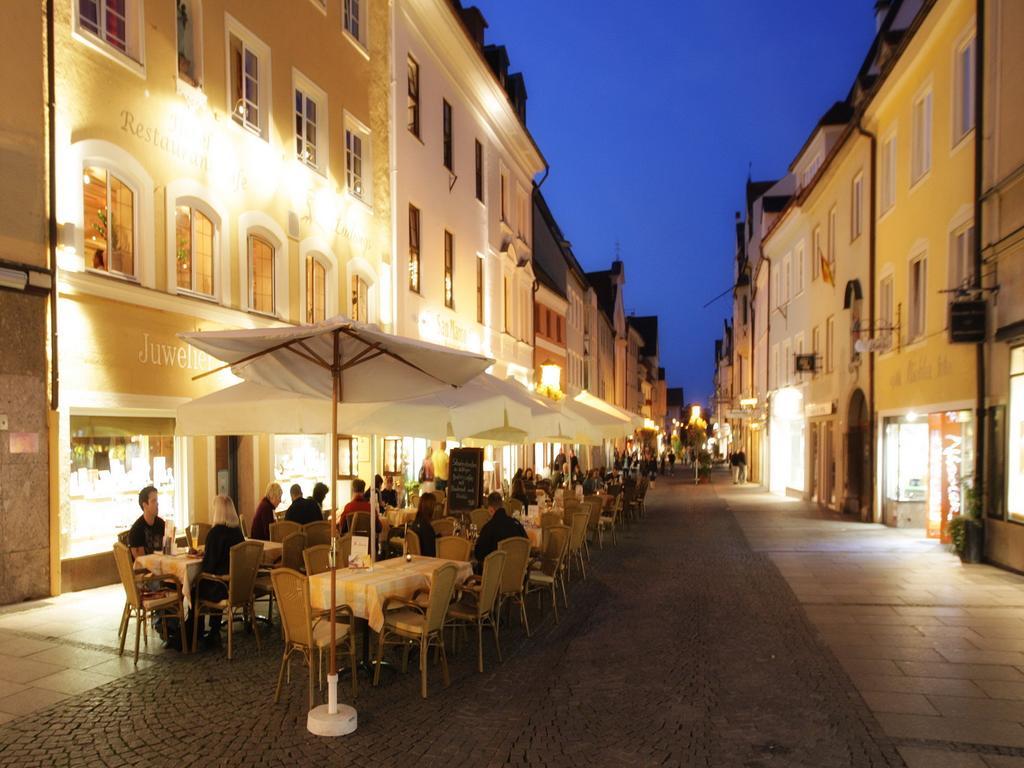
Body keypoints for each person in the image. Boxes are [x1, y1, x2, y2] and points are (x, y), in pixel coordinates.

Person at [192, 495, 246, 648]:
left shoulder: (215, 533)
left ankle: (197, 632)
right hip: (237, 585)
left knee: (195, 586)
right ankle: (213, 630)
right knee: (208, 582)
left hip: (221, 587)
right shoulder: (238, 532)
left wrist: (206, 554)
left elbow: (208, 566)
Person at [473, 491, 526, 567]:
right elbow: (526, 545)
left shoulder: (489, 527)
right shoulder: (516, 524)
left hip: (495, 575)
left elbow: (479, 554)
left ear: (491, 509)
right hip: (517, 574)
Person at [129, 485, 165, 559]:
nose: (157, 504)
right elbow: (142, 561)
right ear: (145, 505)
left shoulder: (162, 524)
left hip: (163, 566)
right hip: (147, 569)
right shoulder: (136, 530)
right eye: (153, 501)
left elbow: (168, 551)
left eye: (157, 500)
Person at [408, 492, 437, 557]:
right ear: (430, 509)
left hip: (417, 560)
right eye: (435, 506)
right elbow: (431, 551)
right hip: (429, 561)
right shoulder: (427, 528)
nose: (437, 509)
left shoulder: (416, 522)